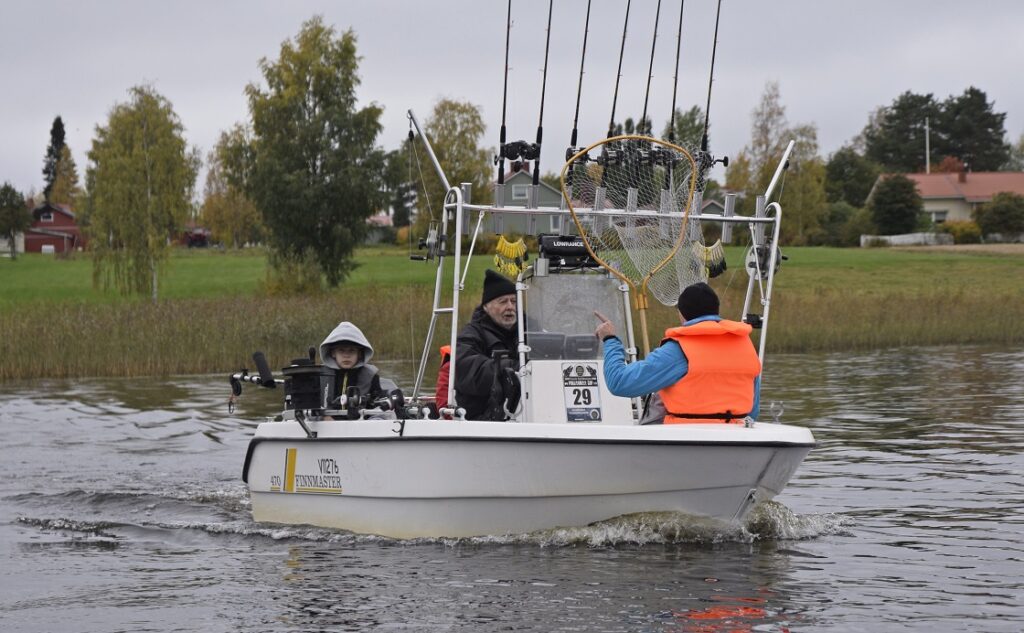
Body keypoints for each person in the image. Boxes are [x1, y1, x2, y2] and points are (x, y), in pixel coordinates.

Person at [595, 282, 761, 424]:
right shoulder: (745, 345)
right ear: (716, 310)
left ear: (681, 314)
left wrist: (610, 339)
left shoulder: (678, 349)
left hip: (684, 439)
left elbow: (619, 382)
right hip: (736, 435)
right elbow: (752, 411)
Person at [453, 269, 521, 420]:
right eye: (503, 302)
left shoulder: (530, 330)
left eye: (514, 301)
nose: (510, 307)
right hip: (483, 420)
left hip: (530, 415)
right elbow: (468, 371)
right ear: (486, 307)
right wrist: (516, 368)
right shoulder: (471, 334)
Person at [319, 321, 386, 406]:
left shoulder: (371, 375)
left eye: (352, 351)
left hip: (362, 418)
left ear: (360, 354)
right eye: (341, 350)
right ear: (333, 353)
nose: (346, 355)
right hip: (328, 418)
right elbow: (312, 403)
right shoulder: (320, 374)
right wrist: (324, 417)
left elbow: (378, 403)